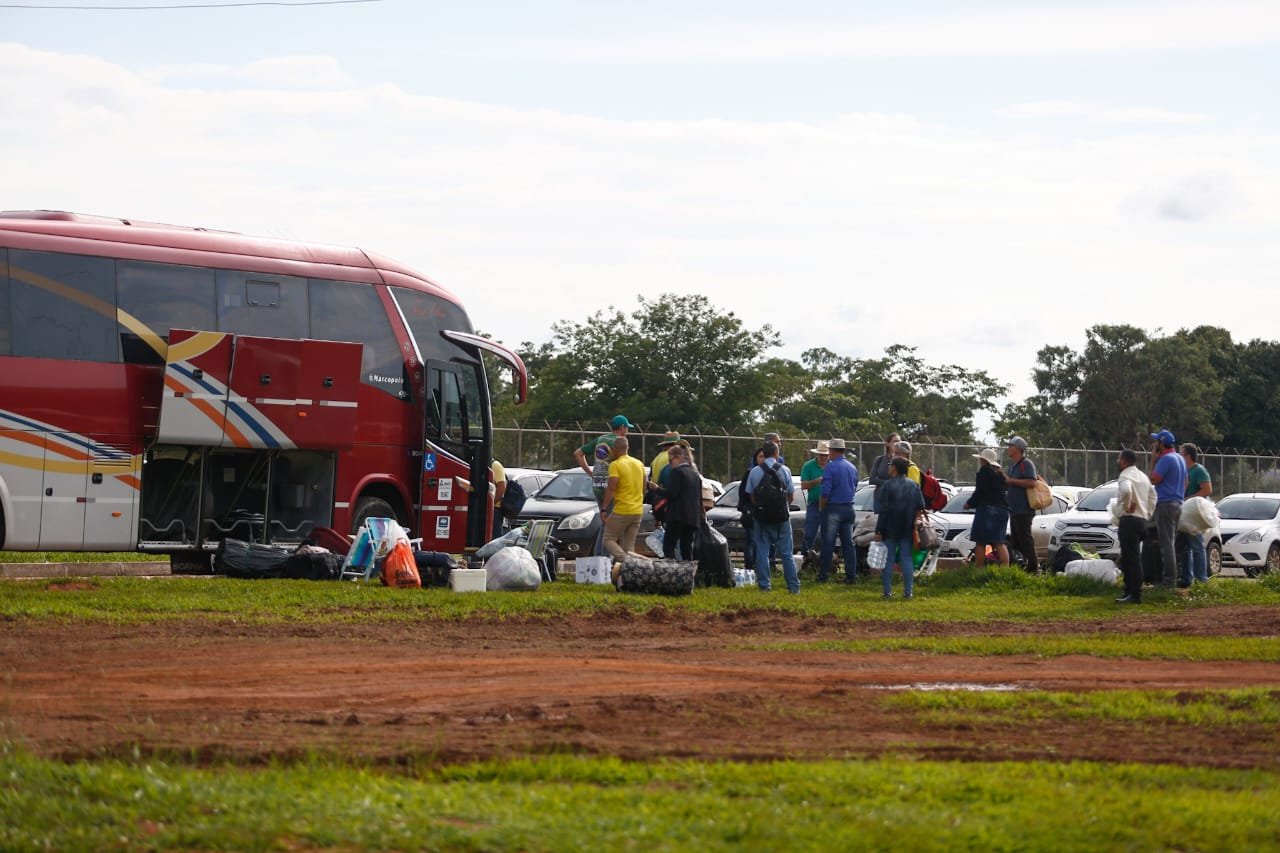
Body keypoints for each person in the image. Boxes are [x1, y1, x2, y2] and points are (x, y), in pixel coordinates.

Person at [744, 441, 800, 593]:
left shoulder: (755, 471)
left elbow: (751, 495)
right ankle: (793, 587)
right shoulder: (785, 470)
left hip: (762, 518)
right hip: (782, 518)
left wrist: (760, 507)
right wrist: (783, 507)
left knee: (762, 552)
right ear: (776, 453)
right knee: (786, 554)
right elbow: (791, 495)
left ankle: (764, 586)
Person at [874, 457, 925, 599]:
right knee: (907, 559)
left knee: (888, 560)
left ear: (895, 468)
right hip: (907, 528)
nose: (889, 467)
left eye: (890, 465)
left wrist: (879, 530)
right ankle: (908, 592)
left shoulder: (887, 486)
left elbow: (882, 511)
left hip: (890, 528)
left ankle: (887, 592)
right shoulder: (913, 485)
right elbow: (920, 506)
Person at [1147, 428, 1187, 588]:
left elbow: (1153, 479)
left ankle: (1169, 581)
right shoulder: (1179, 458)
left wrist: (1153, 460)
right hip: (1177, 502)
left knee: (1166, 544)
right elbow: (1186, 482)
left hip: (1165, 503)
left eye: (1157, 441)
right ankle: (1172, 578)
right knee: (1171, 542)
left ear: (1161, 444)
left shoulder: (1165, 459)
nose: (1155, 444)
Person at [1115, 449, 1156, 604]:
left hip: (1129, 521)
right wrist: (1147, 513)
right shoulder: (1143, 476)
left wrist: (1127, 506)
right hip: (1141, 520)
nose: (1118, 461)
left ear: (1124, 461)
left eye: (1119, 459)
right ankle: (1129, 591)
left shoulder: (1125, 475)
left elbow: (1125, 490)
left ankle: (1135, 594)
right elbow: (1153, 495)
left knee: (1131, 559)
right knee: (1132, 557)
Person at [819, 437, 860, 584]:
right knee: (848, 544)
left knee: (828, 543)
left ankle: (823, 575)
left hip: (833, 508)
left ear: (832, 451)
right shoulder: (852, 467)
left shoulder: (830, 467)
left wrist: (822, 507)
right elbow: (855, 486)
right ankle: (851, 576)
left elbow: (825, 492)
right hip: (849, 508)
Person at [600, 436, 646, 561]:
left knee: (608, 539)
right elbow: (643, 487)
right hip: (637, 510)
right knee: (629, 547)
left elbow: (611, 488)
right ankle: (628, 575)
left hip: (622, 510)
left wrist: (604, 509)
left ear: (614, 450)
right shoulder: (639, 464)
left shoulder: (615, 465)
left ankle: (627, 562)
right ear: (628, 448)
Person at [574, 415, 635, 506]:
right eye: (627, 428)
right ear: (622, 427)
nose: (627, 431)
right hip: (612, 486)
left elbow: (578, 454)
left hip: (597, 486)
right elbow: (625, 463)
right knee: (614, 518)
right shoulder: (620, 442)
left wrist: (590, 473)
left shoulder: (600, 439)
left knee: (603, 515)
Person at [655, 444, 702, 560]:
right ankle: (688, 573)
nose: (670, 463)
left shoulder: (677, 472)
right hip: (692, 517)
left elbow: (672, 493)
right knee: (686, 547)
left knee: (669, 545)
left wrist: (656, 489)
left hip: (677, 515)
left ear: (678, 457)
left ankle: (672, 572)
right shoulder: (695, 474)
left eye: (671, 460)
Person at [965, 448, 1009, 567]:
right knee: (999, 541)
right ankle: (1006, 569)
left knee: (980, 542)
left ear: (984, 460)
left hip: (987, 510)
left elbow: (980, 491)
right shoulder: (1000, 474)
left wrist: (969, 503)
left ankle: (979, 569)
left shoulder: (984, 471)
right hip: (1003, 509)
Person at [1003, 436, 1040, 574]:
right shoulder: (1013, 466)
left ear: (1018, 449)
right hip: (1014, 510)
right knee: (1016, 541)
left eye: (1010, 446)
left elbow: (1032, 482)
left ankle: (1033, 568)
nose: (1008, 448)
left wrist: (1011, 481)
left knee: (1025, 539)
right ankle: (1021, 566)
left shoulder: (1026, 464)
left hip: (1024, 510)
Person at [1178, 443, 1214, 586]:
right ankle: (1187, 579)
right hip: (1183, 513)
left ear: (1188, 456)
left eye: (1181, 454)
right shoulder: (1183, 471)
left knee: (1197, 546)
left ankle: (1201, 579)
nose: (1179, 456)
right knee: (1185, 548)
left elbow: (1207, 490)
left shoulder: (1199, 470)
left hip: (1193, 514)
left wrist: (1189, 499)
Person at [799, 440, 829, 569]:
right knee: (809, 532)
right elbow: (803, 485)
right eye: (821, 455)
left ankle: (824, 561)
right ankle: (806, 559)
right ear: (817, 455)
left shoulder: (832, 466)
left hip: (829, 504)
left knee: (827, 533)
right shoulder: (809, 466)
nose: (824, 458)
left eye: (826, 455)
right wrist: (816, 481)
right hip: (814, 503)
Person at [490, 459, 508, 540]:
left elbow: (501, 487)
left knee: (495, 539)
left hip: (495, 509)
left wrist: (491, 504)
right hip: (486, 509)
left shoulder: (495, 465)